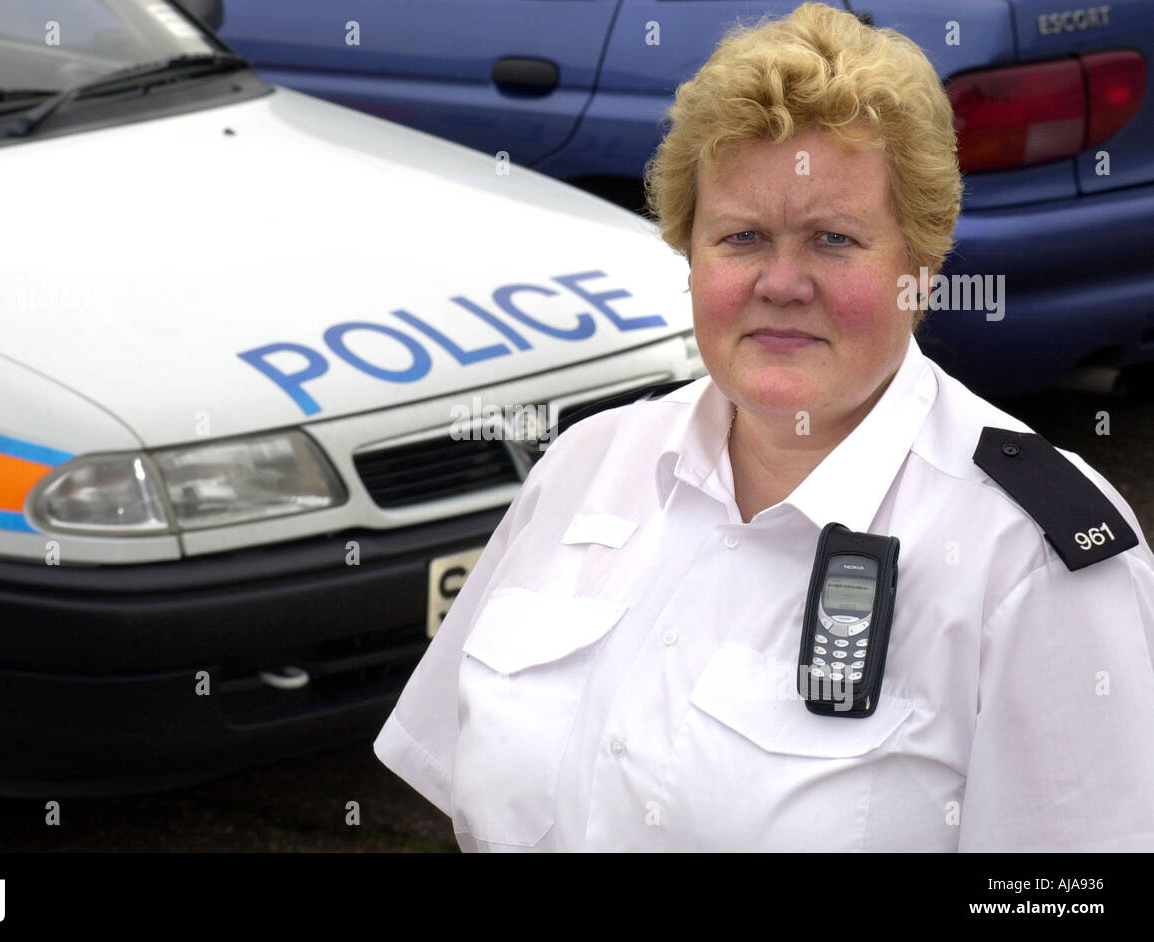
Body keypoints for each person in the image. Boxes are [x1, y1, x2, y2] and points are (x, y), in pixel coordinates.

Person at [373, 2, 1154, 851]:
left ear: (920, 269)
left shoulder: (1027, 561)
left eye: (832, 240)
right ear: (690, 251)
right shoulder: (587, 465)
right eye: (741, 236)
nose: (781, 282)